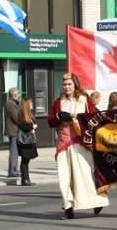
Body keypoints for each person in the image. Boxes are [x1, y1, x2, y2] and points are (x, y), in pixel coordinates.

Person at [47, 72, 109, 220]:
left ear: (75, 85)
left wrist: (76, 121)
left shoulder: (84, 100)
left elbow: (93, 118)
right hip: (63, 142)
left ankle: (96, 201)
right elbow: (50, 122)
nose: (67, 87)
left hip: (81, 141)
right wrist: (57, 117)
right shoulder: (58, 102)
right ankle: (68, 207)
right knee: (64, 176)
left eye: (69, 84)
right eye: (65, 84)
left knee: (85, 174)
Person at [17, 97, 39, 186]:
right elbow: (23, 127)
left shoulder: (29, 115)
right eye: (30, 104)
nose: (32, 105)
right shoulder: (22, 115)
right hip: (25, 141)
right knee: (25, 160)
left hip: (29, 140)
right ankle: (25, 179)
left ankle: (27, 179)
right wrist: (32, 128)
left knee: (27, 160)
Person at [5, 88, 21, 178]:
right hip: (13, 130)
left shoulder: (11, 103)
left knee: (14, 151)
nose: (19, 95)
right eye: (18, 93)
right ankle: (12, 170)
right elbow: (16, 117)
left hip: (13, 130)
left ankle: (14, 169)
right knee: (14, 151)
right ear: (15, 95)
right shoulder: (11, 104)